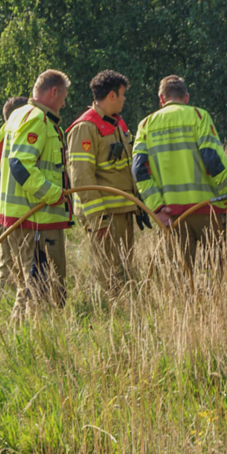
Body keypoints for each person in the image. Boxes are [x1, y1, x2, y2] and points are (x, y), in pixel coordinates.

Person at [132, 75, 227, 272]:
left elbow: (139, 170)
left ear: (161, 99)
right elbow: (211, 160)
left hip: (171, 217)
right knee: (226, 275)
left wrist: (157, 209)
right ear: (186, 98)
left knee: (180, 280)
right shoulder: (199, 117)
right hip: (209, 210)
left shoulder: (145, 125)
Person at [0, 70, 73, 318]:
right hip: (33, 221)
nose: (64, 103)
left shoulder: (18, 115)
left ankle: (37, 338)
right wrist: (53, 193)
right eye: (63, 96)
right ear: (54, 92)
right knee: (34, 290)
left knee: (32, 289)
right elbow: (20, 165)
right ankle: (24, 341)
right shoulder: (36, 119)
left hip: (27, 219)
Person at [66, 70, 149, 292]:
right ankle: (114, 314)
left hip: (123, 209)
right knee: (109, 274)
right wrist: (98, 220)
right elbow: (81, 178)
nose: (124, 99)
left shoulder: (117, 125)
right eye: (122, 95)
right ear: (111, 96)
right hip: (106, 215)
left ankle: (127, 311)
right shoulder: (85, 128)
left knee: (124, 269)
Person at [0, 95, 29, 295]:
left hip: (18, 213)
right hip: (6, 214)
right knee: (8, 261)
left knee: (18, 261)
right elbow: (1, 182)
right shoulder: (3, 139)